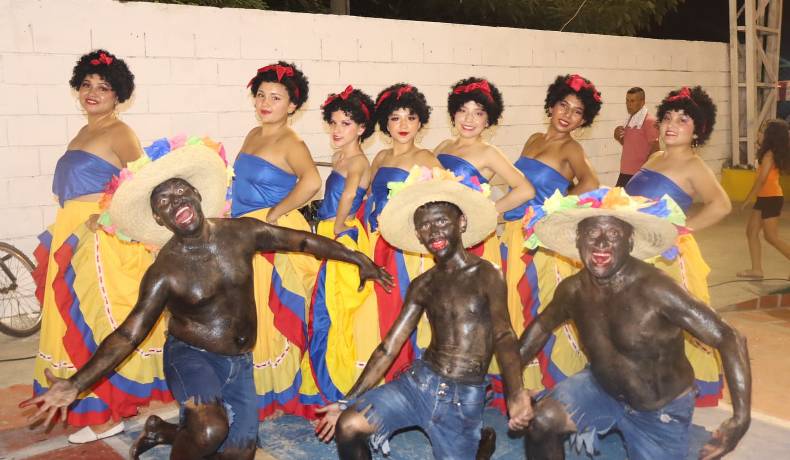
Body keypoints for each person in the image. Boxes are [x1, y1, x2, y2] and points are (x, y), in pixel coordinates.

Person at [22, 141, 393, 460]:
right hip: (191, 358)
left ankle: (161, 432)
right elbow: (128, 334)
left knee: (239, 451)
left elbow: (302, 242)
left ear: (197, 194)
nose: (176, 201)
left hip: (240, 361)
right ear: (158, 218)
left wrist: (359, 258)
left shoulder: (241, 233)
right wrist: (76, 384)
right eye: (164, 201)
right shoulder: (166, 270)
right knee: (209, 430)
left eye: (181, 192)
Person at [315, 168, 532, 460]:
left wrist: (516, 392)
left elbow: (504, 334)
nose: (433, 232)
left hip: (462, 397)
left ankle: (481, 443)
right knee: (350, 424)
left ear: (461, 222)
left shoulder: (486, 274)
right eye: (424, 226)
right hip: (418, 383)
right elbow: (389, 346)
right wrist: (347, 400)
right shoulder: (423, 284)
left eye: (442, 221)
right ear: (417, 234)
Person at [518, 187, 751, 460]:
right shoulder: (573, 290)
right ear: (578, 240)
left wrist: (741, 418)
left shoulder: (657, 289)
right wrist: (513, 389)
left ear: (629, 243)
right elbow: (541, 327)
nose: (602, 242)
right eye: (592, 233)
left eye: (614, 234)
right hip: (601, 386)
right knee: (543, 420)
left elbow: (729, 337)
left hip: (659, 408)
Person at [30, 49, 170, 443]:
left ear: (118, 95)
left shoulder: (120, 132)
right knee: (74, 318)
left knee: (96, 323)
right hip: (72, 235)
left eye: (104, 88)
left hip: (98, 240)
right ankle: (90, 403)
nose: (93, 93)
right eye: (87, 85)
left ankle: (108, 414)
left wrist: (106, 218)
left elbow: (145, 187)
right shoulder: (84, 132)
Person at [625, 86, 732, 406]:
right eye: (668, 117)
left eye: (683, 119)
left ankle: (675, 389)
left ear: (698, 128)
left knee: (672, 325)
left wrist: (682, 229)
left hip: (668, 256)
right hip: (637, 249)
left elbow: (721, 205)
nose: (671, 124)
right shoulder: (656, 155)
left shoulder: (694, 165)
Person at [233, 61, 323, 418]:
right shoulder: (254, 134)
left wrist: (273, 214)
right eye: (261, 95)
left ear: (293, 106)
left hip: (269, 235)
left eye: (276, 97)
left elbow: (312, 181)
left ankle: (272, 393)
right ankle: (254, 390)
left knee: (270, 314)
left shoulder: (291, 141)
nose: (265, 103)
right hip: (243, 231)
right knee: (248, 312)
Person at [501, 74, 601, 394]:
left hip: (539, 236)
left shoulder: (572, 148)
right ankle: (521, 378)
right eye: (563, 105)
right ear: (552, 105)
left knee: (539, 305)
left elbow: (591, 184)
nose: (566, 114)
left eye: (576, 111)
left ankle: (546, 381)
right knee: (513, 303)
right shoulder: (533, 139)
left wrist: (555, 207)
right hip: (513, 233)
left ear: (582, 120)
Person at [364, 83, 442, 382]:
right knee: (379, 312)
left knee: (405, 313)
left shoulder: (427, 159)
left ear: (420, 122)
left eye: (411, 117)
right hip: (376, 242)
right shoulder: (380, 158)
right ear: (385, 123)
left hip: (407, 250)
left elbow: (439, 210)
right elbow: (371, 198)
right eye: (395, 118)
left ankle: (413, 378)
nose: (403, 125)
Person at [309, 85, 378, 402]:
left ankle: (340, 381)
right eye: (333, 122)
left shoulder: (359, 162)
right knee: (324, 305)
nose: (337, 130)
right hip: (328, 232)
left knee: (335, 309)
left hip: (342, 236)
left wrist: (336, 226)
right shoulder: (339, 156)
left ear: (362, 128)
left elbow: (350, 195)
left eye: (346, 124)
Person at [737, 118, 790, 279]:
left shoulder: (769, 155)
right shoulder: (767, 153)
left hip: (771, 198)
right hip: (765, 198)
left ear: (770, 136)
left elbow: (762, 180)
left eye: (762, 132)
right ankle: (757, 270)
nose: (758, 134)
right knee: (751, 232)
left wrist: (748, 199)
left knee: (771, 237)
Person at [613, 87, 660, 187]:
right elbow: (631, 146)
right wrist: (618, 137)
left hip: (638, 175)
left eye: (632, 101)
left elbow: (656, 150)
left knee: (619, 201)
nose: (628, 104)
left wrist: (644, 173)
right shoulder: (631, 120)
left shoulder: (649, 121)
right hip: (625, 172)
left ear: (642, 102)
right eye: (627, 100)